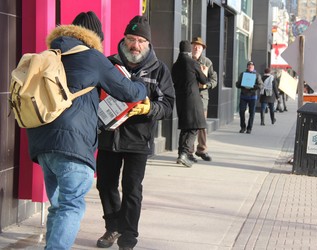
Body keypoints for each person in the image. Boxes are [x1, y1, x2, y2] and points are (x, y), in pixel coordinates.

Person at [25, 11, 147, 250]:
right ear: (95, 37)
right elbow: (129, 92)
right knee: (71, 207)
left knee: (59, 206)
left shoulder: (51, 54)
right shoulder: (92, 57)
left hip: (43, 146)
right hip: (73, 145)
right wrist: (142, 86)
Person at [95, 15, 175, 250]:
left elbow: (169, 105)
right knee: (105, 185)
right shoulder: (108, 64)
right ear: (124, 40)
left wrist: (151, 108)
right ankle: (113, 227)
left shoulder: (159, 70)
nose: (135, 45)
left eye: (141, 40)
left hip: (138, 139)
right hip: (108, 136)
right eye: (131, 39)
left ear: (148, 44)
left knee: (132, 189)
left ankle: (128, 238)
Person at [172, 40, 208, 168]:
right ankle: (184, 155)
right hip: (192, 100)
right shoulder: (193, 63)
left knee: (185, 128)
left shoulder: (175, 65)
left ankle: (180, 154)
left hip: (181, 100)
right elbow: (203, 80)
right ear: (189, 50)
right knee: (194, 128)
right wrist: (203, 70)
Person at [190, 37, 217, 162]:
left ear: (202, 49)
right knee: (189, 125)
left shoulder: (207, 62)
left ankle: (202, 150)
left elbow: (214, 79)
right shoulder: (187, 60)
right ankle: (188, 151)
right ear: (191, 47)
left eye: (199, 47)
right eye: (195, 46)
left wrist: (207, 85)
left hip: (202, 97)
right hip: (189, 96)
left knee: (201, 125)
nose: (196, 48)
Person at [236, 61, 263, 134]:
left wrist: (253, 86)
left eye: (251, 66)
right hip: (243, 96)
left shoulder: (257, 75)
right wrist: (242, 85)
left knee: (252, 113)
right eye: (249, 66)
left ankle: (249, 128)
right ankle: (242, 127)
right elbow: (237, 84)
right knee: (241, 111)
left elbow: (261, 85)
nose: (250, 67)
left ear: (253, 67)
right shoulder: (243, 74)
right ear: (247, 67)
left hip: (252, 97)